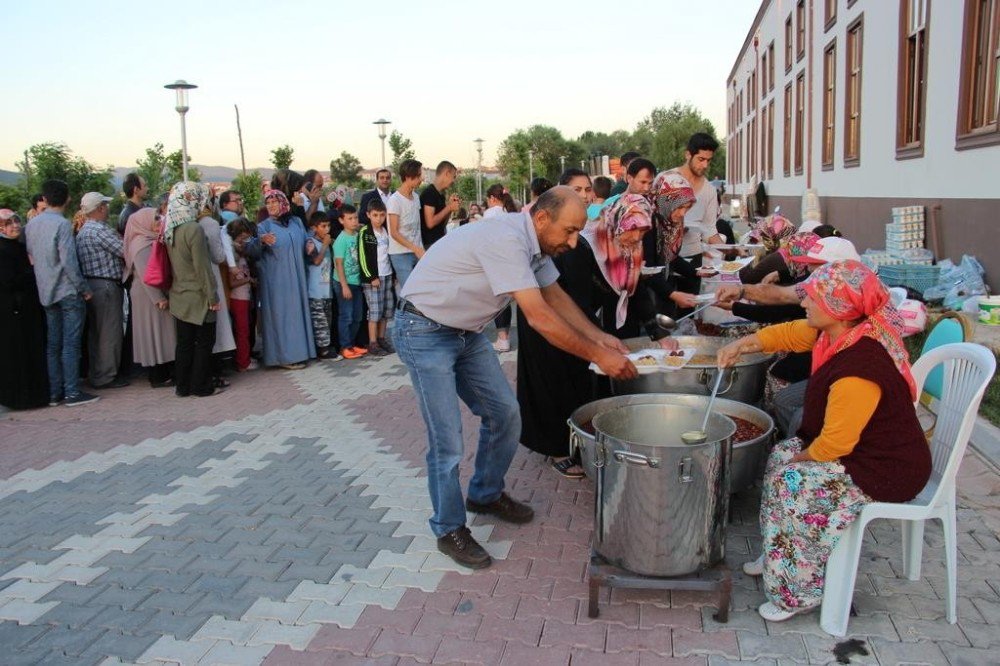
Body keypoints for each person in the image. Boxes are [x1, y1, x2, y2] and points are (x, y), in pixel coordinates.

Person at [394, 186, 638, 569]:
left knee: (506, 414)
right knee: (448, 440)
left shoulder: (535, 243)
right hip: (423, 331)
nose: (574, 243)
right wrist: (599, 357)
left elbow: (555, 297)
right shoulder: (506, 238)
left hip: (465, 333)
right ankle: (448, 528)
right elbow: (539, 318)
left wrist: (600, 336)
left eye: (578, 232)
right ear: (542, 219)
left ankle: (485, 494)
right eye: (570, 231)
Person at [717, 260, 931, 622]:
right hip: (862, 452)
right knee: (781, 452)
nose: (804, 303)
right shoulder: (834, 334)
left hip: (886, 468)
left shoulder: (860, 366)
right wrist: (742, 345)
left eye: (812, 298)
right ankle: (779, 552)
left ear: (837, 308)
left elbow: (834, 445)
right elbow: (784, 334)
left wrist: (800, 461)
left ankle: (797, 592)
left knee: (793, 481)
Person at [24, 181, 98, 406]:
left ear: (44, 200)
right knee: (71, 344)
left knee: (53, 343)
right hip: (67, 290)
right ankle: (72, 392)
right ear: (67, 199)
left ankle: (55, 392)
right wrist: (84, 289)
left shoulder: (32, 225)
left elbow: (31, 255)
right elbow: (68, 260)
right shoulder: (63, 225)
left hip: (45, 290)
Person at [243, 190, 315, 369]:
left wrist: (309, 244)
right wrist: (261, 241)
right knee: (282, 318)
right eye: (268, 203)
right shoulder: (264, 227)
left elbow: (306, 239)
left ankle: (301, 353)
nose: (271, 206)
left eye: (275, 202)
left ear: (284, 203)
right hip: (276, 283)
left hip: (297, 279)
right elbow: (250, 250)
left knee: (297, 315)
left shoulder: (296, 222)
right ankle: (284, 357)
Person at [164, 182, 222, 398]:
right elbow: (203, 267)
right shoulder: (194, 229)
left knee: (185, 343)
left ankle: (182, 386)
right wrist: (212, 296)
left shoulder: (171, 227)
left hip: (179, 294)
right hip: (198, 296)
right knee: (205, 342)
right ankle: (200, 386)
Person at [76, 192, 129, 390]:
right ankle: (106, 375)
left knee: (96, 333)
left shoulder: (83, 230)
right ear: (99, 208)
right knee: (109, 332)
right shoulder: (100, 230)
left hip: (91, 284)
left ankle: (97, 372)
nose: (107, 209)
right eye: (105, 205)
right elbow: (125, 251)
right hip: (106, 285)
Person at [123, 205, 177, 387]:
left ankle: (162, 372)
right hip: (148, 296)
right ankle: (158, 375)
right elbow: (146, 274)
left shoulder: (149, 240)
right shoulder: (140, 244)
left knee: (160, 332)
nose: (158, 221)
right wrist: (159, 298)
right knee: (153, 332)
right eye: (155, 218)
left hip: (150, 294)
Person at [0, 209, 49, 409]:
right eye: (8, 223)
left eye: (16, 222)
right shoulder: (3, 249)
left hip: (26, 308)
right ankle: (20, 398)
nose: (15, 226)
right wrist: (32, 270)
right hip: (13, 310)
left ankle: (33, 395)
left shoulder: (17, 246)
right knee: (17, 353)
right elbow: (9, 281)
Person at [666, 134, 722, 295]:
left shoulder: (710, 191)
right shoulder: (667, 179)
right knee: (665, 310)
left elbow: (709, 229)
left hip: (693, 254)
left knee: (689, 309)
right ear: (688, 154)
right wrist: (674, 229)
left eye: (708, 160)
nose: (704, 165)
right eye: (701, 159)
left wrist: (731, 249)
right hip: (666, 256)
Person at [359, 198, 395, 356]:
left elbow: (390, 253)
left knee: (386, 310)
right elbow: (362, 257)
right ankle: (372, 342)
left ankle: (381, 338)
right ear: (368, 215)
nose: (379, 218)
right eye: (375, 215)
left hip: (387, 275)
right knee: (375, 311)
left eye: (382, 215)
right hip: (373, 278)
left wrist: (393, 274)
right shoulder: (365, 233)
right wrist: (371, 276)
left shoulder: (386, 230)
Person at [332, 204, 367, 360]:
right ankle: (344, 347)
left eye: (355, 218)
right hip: (343, 283)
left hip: (356, 282)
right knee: (346, 315)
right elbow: (338, 264)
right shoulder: (341, 240)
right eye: (350, 218)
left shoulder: (357, 235)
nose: (354, 221)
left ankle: (351, 345)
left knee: (358, 316)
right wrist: (344, 286)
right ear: (341, 220)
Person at [304, 210, 338, 360]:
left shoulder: (329, 243)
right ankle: (323, 349)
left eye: (328, 226)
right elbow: (316, 261)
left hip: (327, 290)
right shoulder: (311, 243)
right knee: (320, 322)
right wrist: (324, 246)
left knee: (327, 320)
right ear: (314, 228)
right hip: (315, 291)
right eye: (323, 226)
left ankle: (326, 346)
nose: (326, 229)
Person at [387, 159, 424, 289]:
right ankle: (401, 311)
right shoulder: (395, 200)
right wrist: (416, 249)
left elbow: (417, 226)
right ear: (408, 177)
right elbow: (394, 233)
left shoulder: (416, 197)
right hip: (401, 254)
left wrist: (419, 248)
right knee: (409, 292)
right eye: (419, 175)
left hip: (417, 251)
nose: (421, 179)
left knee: (418, 291)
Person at [227, 218, 257, 372]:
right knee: (242, 330)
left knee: (244, 330)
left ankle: (243, 359)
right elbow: (232, 282)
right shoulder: (233, 255)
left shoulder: (239, 252)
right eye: (242, 238)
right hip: (238, 297)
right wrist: (248, 280)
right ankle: (242, 362)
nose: (245, 242)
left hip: (243, 297)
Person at [420, 161, 460, 249]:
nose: (453, 181)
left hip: (439, 241)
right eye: (453, 177)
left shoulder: (441, 194)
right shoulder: (429, 193)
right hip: (429, 244)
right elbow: (430, 223)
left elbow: (442, 224)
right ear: (447, 174)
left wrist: (450, 208)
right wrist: (449, 207)